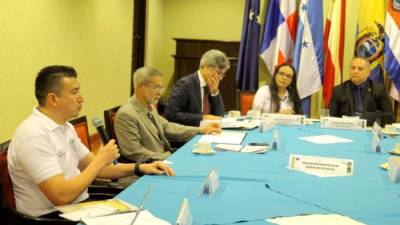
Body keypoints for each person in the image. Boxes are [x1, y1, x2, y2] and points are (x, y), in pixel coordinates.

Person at [7, 65, 175, 218]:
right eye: (74, 92)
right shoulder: (34, 135)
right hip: (52, 215)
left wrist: (141, 167)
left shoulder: (65, 127)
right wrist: (100, 160)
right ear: (53, 99)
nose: (81, 98)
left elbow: (98, 168)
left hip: (79, 206)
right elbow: (61, 195)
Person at [114, 67, 221, 163]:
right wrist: (168, 158)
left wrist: (200, 130)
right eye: (157, 87)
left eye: (161, 88)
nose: (160, 93)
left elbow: (167, 127)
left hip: (163, 160)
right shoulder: (126, 114)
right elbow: (134, 152)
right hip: (148, 169)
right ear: (140, 88)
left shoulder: (149, 107)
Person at [164, 49, 230, 126]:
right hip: (189, 132)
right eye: (219, 73)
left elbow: (220, 115)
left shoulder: (211, 84)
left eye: (222, 75)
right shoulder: (185, 84)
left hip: (210, 132)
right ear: (206, 66)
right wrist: (203, 118)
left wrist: (214, 92)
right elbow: (171, 114)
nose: (220, 78)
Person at [329, 57, 393, 125]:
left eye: (360, 69)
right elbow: (332, 116)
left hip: (369, 129)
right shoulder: (339, 90)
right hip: (346, 128)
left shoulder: (379, 90)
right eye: (353, 68)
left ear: (368, 73)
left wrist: (365, 118)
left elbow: (387, 115)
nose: (355, 71)